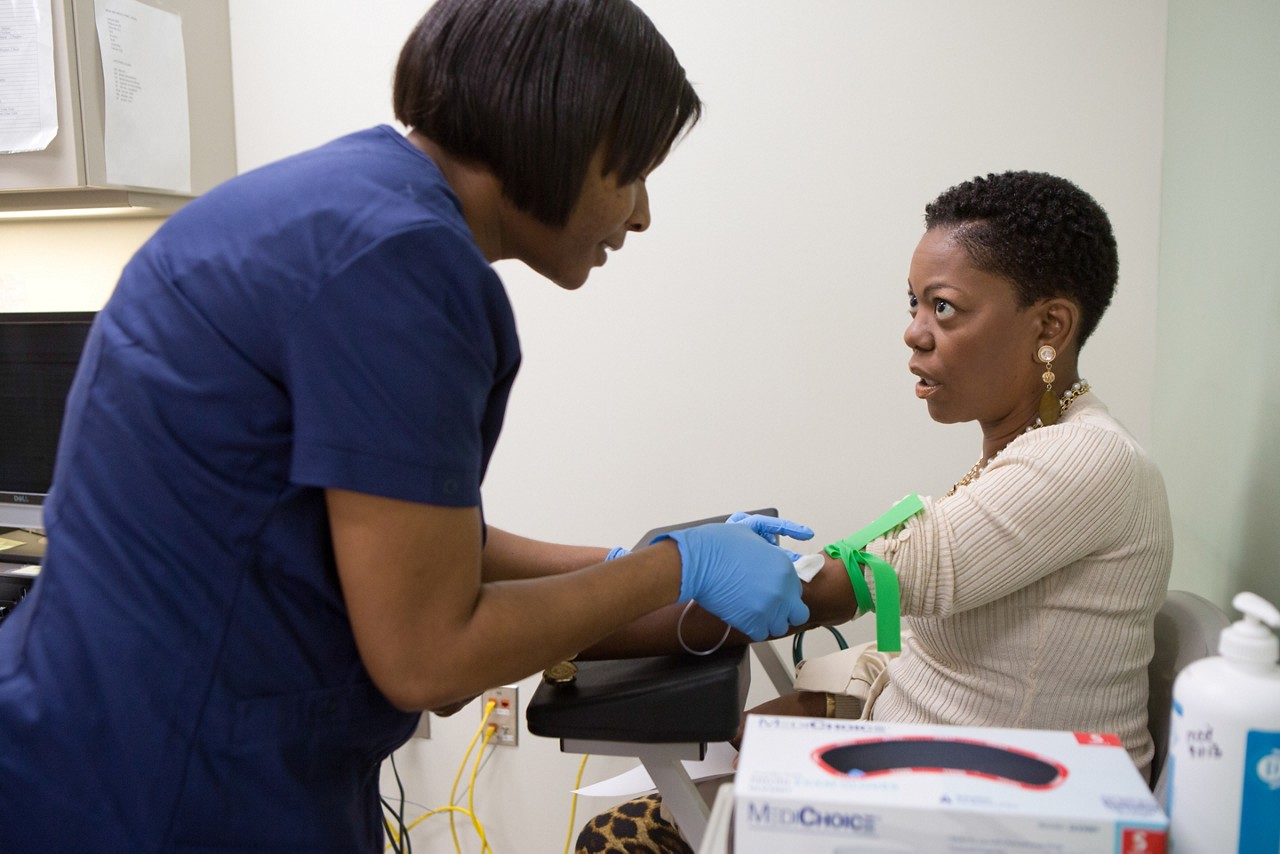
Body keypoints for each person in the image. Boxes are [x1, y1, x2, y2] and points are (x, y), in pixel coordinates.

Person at [0, 2, 812, 850]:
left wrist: (633, 564)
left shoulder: (343, 203)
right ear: (564, 128)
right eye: (634, 171)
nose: (641, 214)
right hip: (169, 792)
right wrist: (674, 566)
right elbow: (430, 656)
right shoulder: (405, 264)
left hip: (108, 743)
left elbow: (417, 539)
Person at [575, 170, 1173, 854]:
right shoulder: (1028, 450)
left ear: (1050, 326)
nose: (914, 334)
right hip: (947, 789)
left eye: (944, 308)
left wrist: (557, 624)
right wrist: (826, 707)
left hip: (1014, 823)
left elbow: (840, 585)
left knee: (616, 843)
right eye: (914, 304)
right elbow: (945, 661)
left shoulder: (1081, 461)